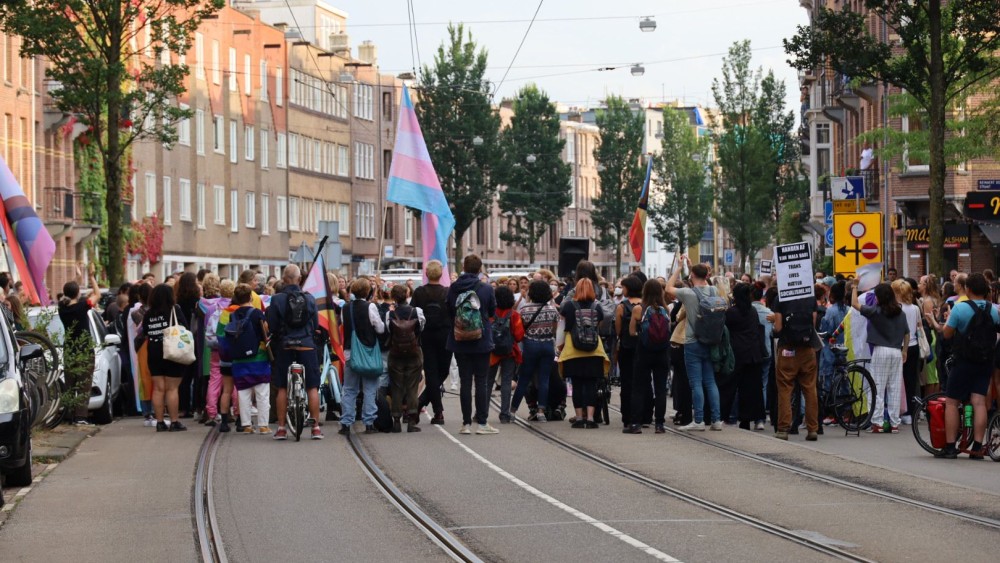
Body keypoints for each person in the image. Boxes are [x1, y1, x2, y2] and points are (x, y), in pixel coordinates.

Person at [925, 272, 997, 459]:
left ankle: (950, 446)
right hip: (985, 361)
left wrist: (940, 324)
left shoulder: (960, 308)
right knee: (979, 401)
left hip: (964, 360)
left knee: (952, 401)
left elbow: (947, 334)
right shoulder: (994, 310)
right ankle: (978, 448)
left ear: (968, 289)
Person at [266, 265, 323, 440]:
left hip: (285, 345)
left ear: (283, 279)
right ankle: (316, 428)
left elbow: (273, 326)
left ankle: (282, 428)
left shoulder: (276, 300)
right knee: (312, 387)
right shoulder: (310, 298)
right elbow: (315, 325)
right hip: (306, 344)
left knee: (282, 386)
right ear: (299, 279)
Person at [665, 256, 722, 431]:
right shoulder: (714, 290)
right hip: (711, 341)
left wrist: (679, 267)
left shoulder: (688, 294)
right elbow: (704, 279)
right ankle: (716, 420)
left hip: (692, 341)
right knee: (710, 382)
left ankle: (698, 420)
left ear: (691, 275)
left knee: (696, 383)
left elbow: (668, 288)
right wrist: (692, 268)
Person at [447, 255, 499, 435]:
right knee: (482, 381)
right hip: (481, 340)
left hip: (460, 340)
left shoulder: (453, 288)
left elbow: (449, 311)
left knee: (465, 381)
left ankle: (466, 423)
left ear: (464, 267)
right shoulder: (485, 289)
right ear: (479, 269)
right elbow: (492, 311)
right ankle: (483, 423)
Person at [852, 282, 909, 433]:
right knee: (894, 388)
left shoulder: (876, 312)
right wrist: (905, 350)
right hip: (896, 351)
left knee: (876, 386)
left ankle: (877, 422)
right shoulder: (900, 313)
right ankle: (894, 423)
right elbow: (907, 332)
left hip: (881, 350)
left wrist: (854, 286)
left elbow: (854, 304)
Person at [771, 283, 820, 441]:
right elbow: (812, 325)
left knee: (785, 388)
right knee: (810, 389)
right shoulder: (810, 297)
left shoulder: (781, 298)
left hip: (787, 350)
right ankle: (812, 429)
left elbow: (778, 328)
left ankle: (783, 429)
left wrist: (774, 327)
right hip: (807, 350)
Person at [557, 278, 608, 428]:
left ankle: (579, 418)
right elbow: (599, 327)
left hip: (573, 350)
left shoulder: (568, 306)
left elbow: (562, 328)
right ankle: (590, 418)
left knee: (577, 384)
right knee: (591, 384)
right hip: (594, 350)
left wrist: (559, 347)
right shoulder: (597, 306)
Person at [623, 278, 671, 434]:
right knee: (660, 389)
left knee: (639, 387)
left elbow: (631, 332)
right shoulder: (665, 310)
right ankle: (659, 424)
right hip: (662, 353)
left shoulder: (639, 309)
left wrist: (641, 334)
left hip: (644, 352)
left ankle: (636, 423)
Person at [340, 277, 385, 435]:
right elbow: (380, 328)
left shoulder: (345, 308)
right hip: (368, 353)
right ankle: (369, 422)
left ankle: (346, 423)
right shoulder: (370, 307)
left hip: (350, 353)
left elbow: (343, 325)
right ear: (368, 292)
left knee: (349, 389)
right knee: (370, 389)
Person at [510, 281, 559, 421]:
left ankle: (513, 410)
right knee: (544, 379)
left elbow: (521, 329)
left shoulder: (525, 309)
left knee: (524, 379)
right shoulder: (552, 309)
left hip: (530, 345)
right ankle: (541, 411)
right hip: (547, 345)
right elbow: (554, 330)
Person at [225, 284, 271, 434]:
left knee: (243, 393)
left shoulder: (232, 315)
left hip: (239, 360)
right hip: (258, 358)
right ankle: (263, 425)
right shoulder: (257, 313)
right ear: (251, 297)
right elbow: (266, 331)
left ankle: (246, 425)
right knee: (262, 393)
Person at [143, 284, 189, 432]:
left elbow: (145, 331)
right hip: (171, 350)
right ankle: (174, 421)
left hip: (153, 352)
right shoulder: (174, 310)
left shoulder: (149, 314)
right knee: (172, 388)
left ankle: (160, 422)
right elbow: (184, 327)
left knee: (158, 389)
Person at [58, 264, 100, 425]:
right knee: (84, 383)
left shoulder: (62, 308)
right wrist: (91, 277)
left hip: (69, 348)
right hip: (84, 349)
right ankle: (81, 417)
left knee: (70, 383)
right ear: (78, 293)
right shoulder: (83, 306)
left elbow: (68, 294)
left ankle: (68, 416)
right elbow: (97, 294)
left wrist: (77, 279)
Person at [724, 283, 767, 431]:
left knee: (730, 386)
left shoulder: (731, 312)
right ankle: (750, 419)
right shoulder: (753, 311)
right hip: (753, 354)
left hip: (737, 354)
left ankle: (728, 416)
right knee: (752, 388)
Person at [412, 261, 451, 424]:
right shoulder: (447, 292)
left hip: (426, 336)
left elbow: (413, 313)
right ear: (441, 274)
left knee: (432, 373)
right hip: (445, 335)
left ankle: (423, 404)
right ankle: (437, 410)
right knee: (443, 371)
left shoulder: (419, 292)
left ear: (427, 274)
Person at [385, 284, 426, 433]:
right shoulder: (417, 311)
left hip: (395, 353)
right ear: (407, 294)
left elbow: (388, 330)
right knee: (412, 387)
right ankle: (411, 420)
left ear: (393, 297)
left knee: (396, 386)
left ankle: (396, 419)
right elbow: (421, 327)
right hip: (414, 352)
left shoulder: (390, 314)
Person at [490, 286, 524, 423]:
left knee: (487, 382)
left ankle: (481, 413)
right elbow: (519, 335)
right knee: (506, 382)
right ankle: (504, 414)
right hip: (509, 352)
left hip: (492, 352)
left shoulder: (490, 314)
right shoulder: (514, 315)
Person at [818, 281, 849, 425]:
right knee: (843, 381)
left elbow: (825, 330)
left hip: (830, 350)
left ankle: (831, 413)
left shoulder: (831, 311)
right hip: (845, 348)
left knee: (828, 382)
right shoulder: (848, 309)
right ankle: (843, 412)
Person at [174, 272, 203, 421]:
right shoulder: (197, 301)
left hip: (182, 340)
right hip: (195, 339)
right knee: (197, 374)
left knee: (184, 376)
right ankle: (196, 405)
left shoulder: (177, 301)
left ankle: (183, 407)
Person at [614, 275, 643, 427]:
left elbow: (618, 329)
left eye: (623, 287)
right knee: (642, 381)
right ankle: (643, 414)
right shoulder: (645, 305)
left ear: (628, 288)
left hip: (627, 346)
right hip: (643, 347)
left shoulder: (622, 306)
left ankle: (628, 416)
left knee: (626, 382)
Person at [893, 279, 921, 425]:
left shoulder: (897, 308)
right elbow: (919, 327)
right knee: (911, 380)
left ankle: (898, 410)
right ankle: (910, 411)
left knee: (897, 380)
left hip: (899, 346)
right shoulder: (915, 308)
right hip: (914, 346)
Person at [918, 274, 942, 395]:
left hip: (929, 337)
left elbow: (930, 323)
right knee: (935, 374)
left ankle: (930, 404)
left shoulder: (927, 301)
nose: (918, 285)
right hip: (935, 337)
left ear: (925, 286)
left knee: (930, 377)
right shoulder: (935, 299)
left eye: (920, 283)